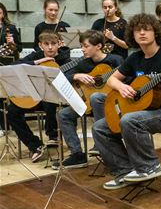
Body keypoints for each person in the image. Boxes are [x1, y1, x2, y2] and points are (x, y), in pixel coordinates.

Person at [92, 14, 161, 190]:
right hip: (144, 111)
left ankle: (149, 166)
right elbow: (111, 80)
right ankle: (124, 172)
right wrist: (121, 87)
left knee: (129, 120)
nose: (142, 33)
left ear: (156, 33)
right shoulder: (134, 58)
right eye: (138, 30)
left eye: (147, 29)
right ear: (132, 35)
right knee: (99, 127)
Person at [52, 30, 122, 169]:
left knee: (96, 97)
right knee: (63, 114)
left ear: (99, 46)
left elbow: (128, 78)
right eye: (82, 46)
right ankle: (77, 155)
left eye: (86, 46)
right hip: (89, 103)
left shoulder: (115, 60)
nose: (82, 49)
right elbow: (62, 77)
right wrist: (76, 76)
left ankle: (101, 141)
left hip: (114, 103)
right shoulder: (83, 64)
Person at [8, 31, 72, 161]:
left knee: (49, 100)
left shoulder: (65, 59)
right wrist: (38, 62)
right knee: (11, 112)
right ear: (40, 45)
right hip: (33, 97)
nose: (50, 47)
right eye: (46, 44)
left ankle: (53, 136)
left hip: (55, 98)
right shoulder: (36, 55)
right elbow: (13, 65)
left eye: (53, 44)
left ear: (59, 44)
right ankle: (35, 145)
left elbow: (71, 78)